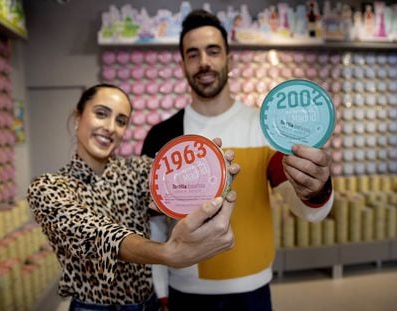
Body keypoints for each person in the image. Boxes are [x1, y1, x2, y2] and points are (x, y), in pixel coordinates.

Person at [141, 9, 334, 311]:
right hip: (184, 292)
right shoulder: (163, 136)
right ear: (182, 65)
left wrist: (318, 188)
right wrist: (160, 292)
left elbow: (309, 211)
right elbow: (154, 227)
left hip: (253, 291)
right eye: (193, 54)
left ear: (229, 58)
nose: (204, 62)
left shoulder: (266, 128)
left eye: (213, 51)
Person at [26, 83, 239, 311]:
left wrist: (209, 169)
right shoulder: (47, 187)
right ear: (78, 117)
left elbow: (176, 179)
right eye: (101, 114)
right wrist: (166, 253)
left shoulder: (136, 170)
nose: (110, 127)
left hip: (148, 303)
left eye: (121, 121)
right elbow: (97, 234)